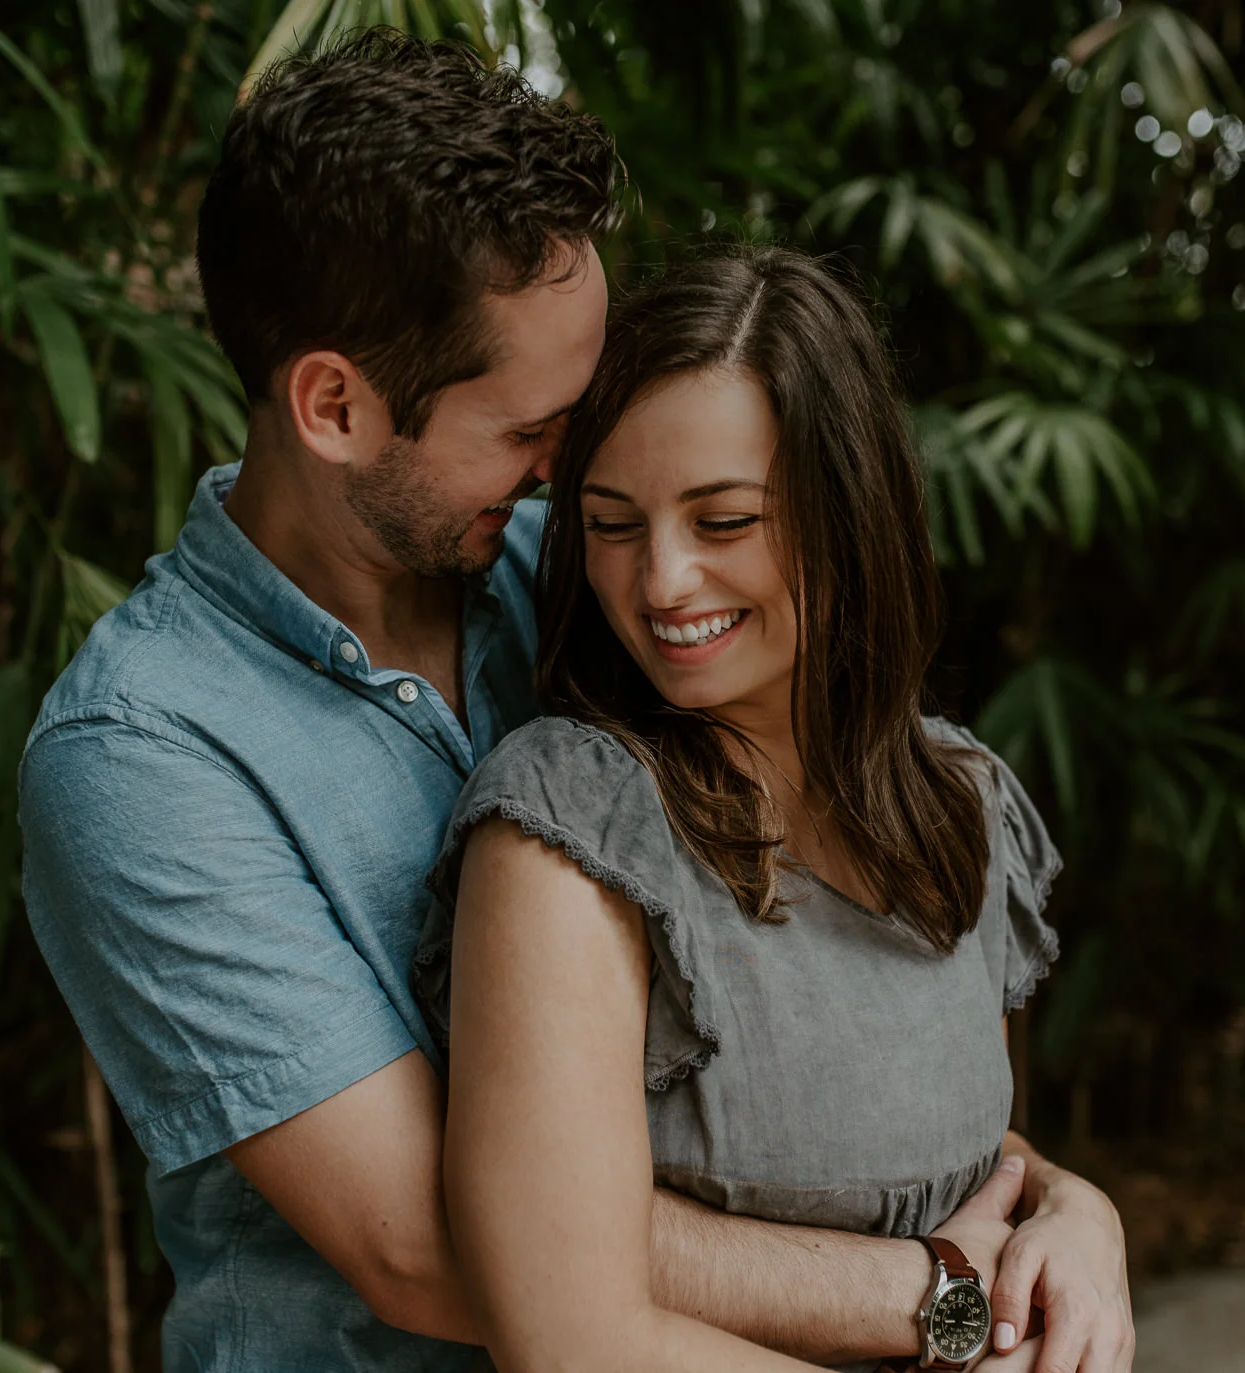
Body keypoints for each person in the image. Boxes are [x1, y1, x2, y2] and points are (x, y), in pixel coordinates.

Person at [19, 29, 1131, 1373]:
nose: (575, 469)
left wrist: (1062, 1206)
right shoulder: (141, 751)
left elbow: (823, 1046)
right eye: (528, 430)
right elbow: (439, 1245)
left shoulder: (593, 580)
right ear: (334, 406)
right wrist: (948, 1289)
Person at [416, 245, 1131, 1373]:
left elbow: (944, 1162)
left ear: (847, 514)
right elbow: (572, 1341)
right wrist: (959, 1312)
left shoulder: (963, 800)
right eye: (612, 524)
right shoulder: (568, 826)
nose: (660, 582)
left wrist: (1074, 1210)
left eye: (722, 521)